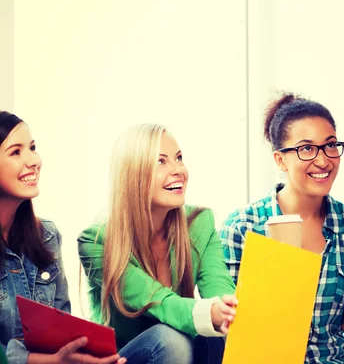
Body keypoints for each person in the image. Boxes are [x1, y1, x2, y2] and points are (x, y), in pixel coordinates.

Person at [220, 93, 344, 364]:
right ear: (280, 160)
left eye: (330, 145)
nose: (323, 161)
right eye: (306, 149)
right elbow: (230, 324)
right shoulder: (242, 228)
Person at [78, 124, 237, 364]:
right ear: (133, 174)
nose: (178, 170)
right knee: (171, 338)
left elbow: (221, 291)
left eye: (179, 158)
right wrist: (210, 313)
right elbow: (159, 303)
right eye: (161, 162)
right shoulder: (97, 241)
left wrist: (229, 310)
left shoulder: (199, 223)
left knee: (216, 335)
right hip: (120, 358)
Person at [0, 111, 124, 364]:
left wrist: (82, 354)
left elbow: (60, 326)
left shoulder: (47, 235)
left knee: (162, 341)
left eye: (32, 148)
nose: (33, 160)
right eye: (16, 152)